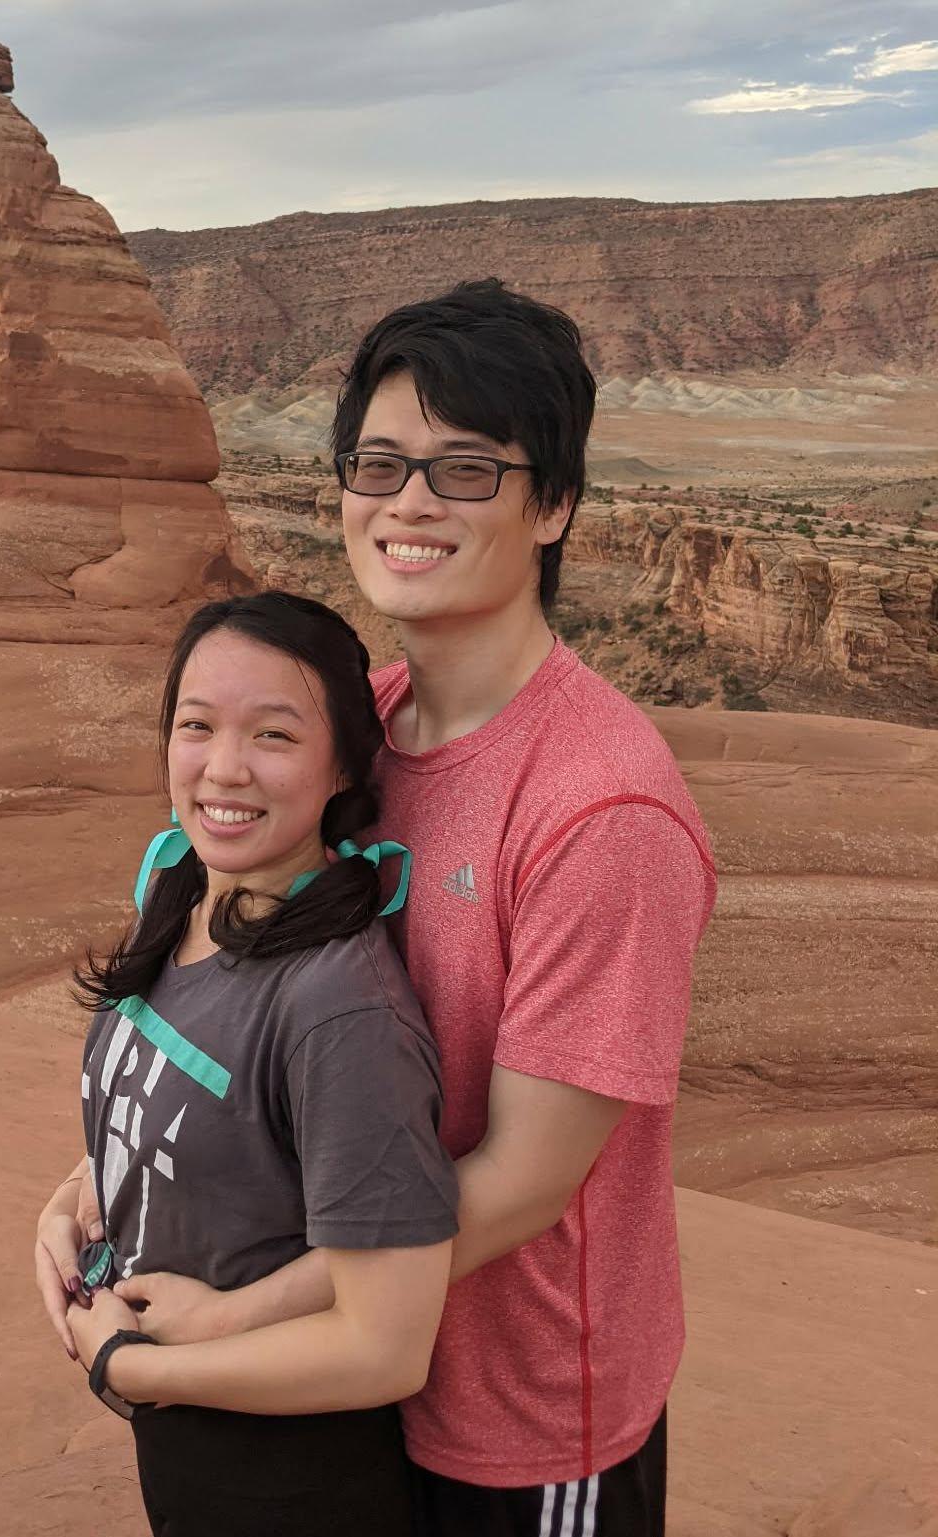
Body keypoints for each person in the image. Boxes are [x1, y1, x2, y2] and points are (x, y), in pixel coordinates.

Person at [40, 281, 716, 1537]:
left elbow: (521, 1178)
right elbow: (253, 1003)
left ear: (554, 503)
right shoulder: (354, 726)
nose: (409, 504)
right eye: (381, 463)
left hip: (515, 1410)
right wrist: (110, 1173)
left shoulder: (600, 808)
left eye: (467, 470)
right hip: (338, 1398)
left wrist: (242, 1316)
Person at [40, 591, 458, 1537]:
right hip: (195, 1462)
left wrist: (131, 1366)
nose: (223, 768)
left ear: (343, 765)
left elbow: (384, 1348)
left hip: (295, 1484)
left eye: (273, 735)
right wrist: (65, 1211)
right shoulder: (181, 887)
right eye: (196, 726)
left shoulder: (338, 1006)